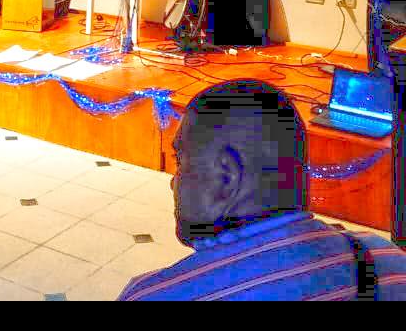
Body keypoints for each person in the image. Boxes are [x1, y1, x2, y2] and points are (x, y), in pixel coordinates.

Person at [118, 79, 406, 301]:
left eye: (180, 161)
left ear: (227, 179)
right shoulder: (391, 262)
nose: (173, 181)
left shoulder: (153, 295)